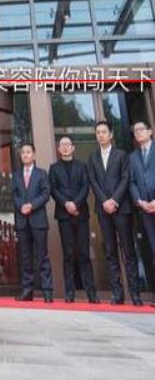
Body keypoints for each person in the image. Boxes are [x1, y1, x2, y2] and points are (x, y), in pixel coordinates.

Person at [87, 121, 142, 306]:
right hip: (103, 210)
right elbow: (93, 181)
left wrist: (114, 200)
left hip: (121, 209)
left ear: (111, 135)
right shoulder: (93, 157)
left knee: (129, 251)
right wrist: (104, 201)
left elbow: (126, 178)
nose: (100, 135)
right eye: (98, 132)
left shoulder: (121, 155)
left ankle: (135, 294)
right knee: (110, 251)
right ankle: (117, 294)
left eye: (104, 132)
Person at [49, 135, 98, 304]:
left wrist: (75, 204)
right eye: (62, 145)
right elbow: (54, 190)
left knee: (84, 254)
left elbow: (86, 186)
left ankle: (91, 293)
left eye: (68, 144)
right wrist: (66, 204)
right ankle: (69, 293)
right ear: (58, 148)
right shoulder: (54, 168)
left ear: (73, 147)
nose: (65, 147)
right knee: (68, 254)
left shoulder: (82, 166)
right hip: (64, 215)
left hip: (81, 214)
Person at [11, 143, 53, 303]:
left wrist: (31, 205)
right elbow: (14, 194)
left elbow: (46, 193)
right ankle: (27, 290)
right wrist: (22, 205)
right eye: (23, 153)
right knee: (26, 257)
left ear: (34, 155)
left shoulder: (42, 174)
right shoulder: (16, 175)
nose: (25, 155)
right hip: (22, 221)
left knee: (42, 256)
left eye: (28, 152)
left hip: (38, 220)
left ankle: (47, 290)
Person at [128, 120, 155, 307]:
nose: (138, 133)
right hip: (144, 210)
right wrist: (139, 201)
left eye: (141, 129)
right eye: (135, 131)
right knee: (151, 250)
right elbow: (131, 182)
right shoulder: (133, 157)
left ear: (150, 131)